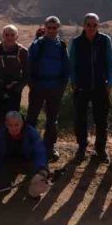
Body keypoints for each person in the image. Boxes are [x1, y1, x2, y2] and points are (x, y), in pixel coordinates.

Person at [68, 13, 112, 163]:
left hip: (100, 86)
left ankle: (100, 149)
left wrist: (110, 83)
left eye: (94, 25)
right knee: (80, 119)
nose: (91, 28)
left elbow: (110, 63)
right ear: (84, 25)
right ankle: (82, 147)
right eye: (89, 25)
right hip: (81, 86)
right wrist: (73, 82)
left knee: (101, 120)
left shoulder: (105, 40)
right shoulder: (76, 42)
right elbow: (72, 64)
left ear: (98, 26)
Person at [27, 16, 72, 161]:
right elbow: (29, 66)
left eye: (54, 27)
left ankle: (49, 147)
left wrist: (62, 85)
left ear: (58, 28)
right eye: (49, 27)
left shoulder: (62, 46)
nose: (52, 30)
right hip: (38, 86)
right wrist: (33, 84)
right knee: (32, 117)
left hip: (55, 88)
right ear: (45, 28)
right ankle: (29, 146)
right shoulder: (37, 45)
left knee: (52, 119)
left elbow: (66, 68)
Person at [0, 25, 29, 151]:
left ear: (17, 36)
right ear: (3, 35)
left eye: (12, 35)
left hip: (13, 93)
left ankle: (10, 151)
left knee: (12, 124)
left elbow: (27, 75)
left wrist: (17, 87)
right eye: (7, 34)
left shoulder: (22, 52)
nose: (9, 37)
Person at [0, 112, 49, 190]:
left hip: (28, 163)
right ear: (6, 124)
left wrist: (41, 170)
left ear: (22, 123)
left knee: (38, 183)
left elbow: (40, 153)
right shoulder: (0, 134)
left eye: (17, 125)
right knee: (0, 186)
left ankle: (30, 186)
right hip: (8, 164)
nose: (13, 128)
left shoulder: (31, 133)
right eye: (10, 125)